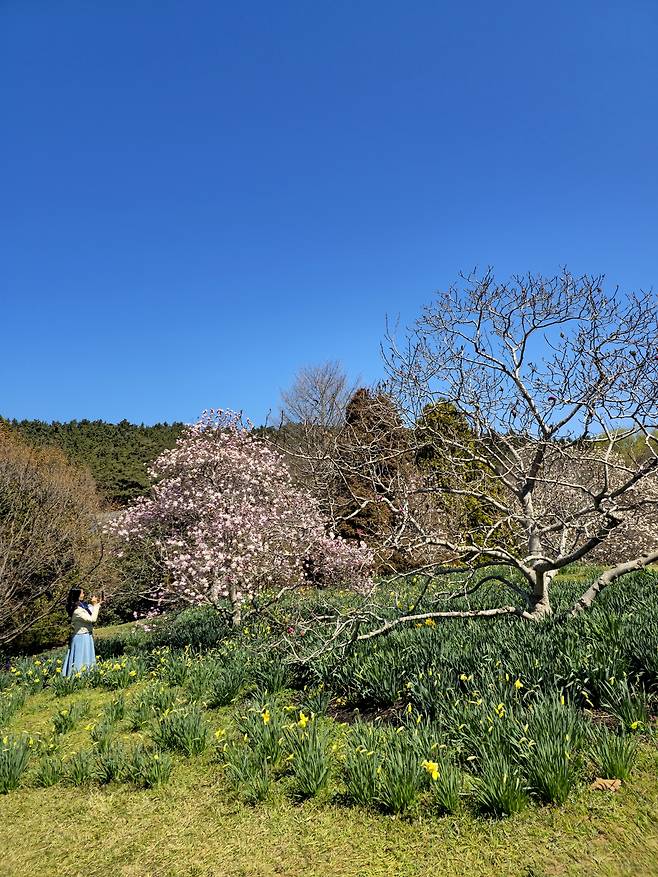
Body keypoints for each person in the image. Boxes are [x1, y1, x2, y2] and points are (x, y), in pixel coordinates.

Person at [61, 588, 102, 677]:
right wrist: (95, 605)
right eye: (82, 593)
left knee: (86, 657)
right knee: (80, 658)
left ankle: (88, 674)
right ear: (77, 595)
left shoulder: (81, 606)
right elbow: (92, 619)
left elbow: (90, 611)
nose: (83, 595)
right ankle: (78, 676)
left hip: (86, 635)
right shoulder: (77, 610)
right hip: (81, 637)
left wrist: (96, 604)